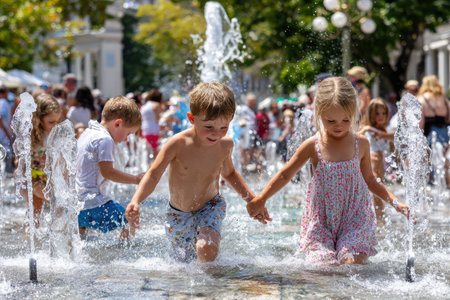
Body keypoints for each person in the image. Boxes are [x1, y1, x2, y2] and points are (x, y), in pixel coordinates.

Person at [247, 77, 410, 265]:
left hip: (355, 219)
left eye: (346, 120)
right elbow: (286, 174)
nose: (339, 125)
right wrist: (261, 199)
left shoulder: (361, 143)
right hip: (322, 221)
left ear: (354, 114)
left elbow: (371, 180)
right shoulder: (313, 145)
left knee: (351, 263)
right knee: (323, 268)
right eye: (331, 120)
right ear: (319, 113)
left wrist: (396, 203)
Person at [125, 82, 263, 263]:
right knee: (184, 264)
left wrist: (252, 200)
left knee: (206, 246)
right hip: (178, 214)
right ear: (192, 118)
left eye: (224, 127)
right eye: (209, 127)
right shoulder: (177, 144)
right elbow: (153, 175)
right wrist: (136, 200)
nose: (217, 134)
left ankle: (212, 286)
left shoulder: (225, 145)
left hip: (211, 206)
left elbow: (229, 173)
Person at [76, 96, 143, 239]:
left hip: (78, 204)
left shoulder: (88, 133)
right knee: (129, 221)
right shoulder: (104, 139)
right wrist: (137, 179)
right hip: (94, 203)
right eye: (128, 134)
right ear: (118, 123)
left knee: (81, 239)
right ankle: (123, 256)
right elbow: (108, 172)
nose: (126, 139)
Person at [25, 94, 62, 228]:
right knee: (38, 212)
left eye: (57, 121)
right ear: (39, 118)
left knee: (36, 217)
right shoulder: (30, 135)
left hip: (48, 178)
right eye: (51, 122)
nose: (55, 125)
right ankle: (32, 241)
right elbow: (22, 158)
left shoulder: (55, 133)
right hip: (33, 179)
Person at [359, 98, 394, 223]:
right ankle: (377, 224)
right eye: (377, 113)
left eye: (383, 113)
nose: (381, 116)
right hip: (371, 172)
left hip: (381, 172)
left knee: (378, 199)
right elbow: (358, 136)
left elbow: (394, 141)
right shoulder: (367, 129)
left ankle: (378, 224)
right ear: (370, 114)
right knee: (375, 198)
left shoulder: (384, 132)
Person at [418, 75, 449, 145]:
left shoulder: (422, 99)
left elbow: (420, 123)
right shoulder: (444, 100)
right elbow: (448, 119)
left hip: (429, 135)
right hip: (444, 135)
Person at [141, 89, 163, 157]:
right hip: (154, 130)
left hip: (145, 130)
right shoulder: (156, 105)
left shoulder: (144, 106)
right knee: (155, 153)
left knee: (148, 153)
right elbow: (159, 119)